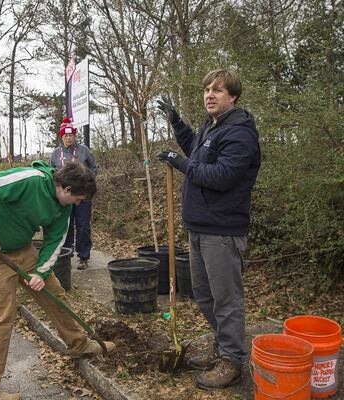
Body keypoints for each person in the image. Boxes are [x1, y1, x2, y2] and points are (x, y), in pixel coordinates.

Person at [0, 160, 115, 400]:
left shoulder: (63, 207)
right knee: (2, 317)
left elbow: (55, 240)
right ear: (66, 189)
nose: (79, 204)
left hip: (23, 250)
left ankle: (78, 344)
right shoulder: (29, 180)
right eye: (79, 198)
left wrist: (41, 273)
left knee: (55, 294)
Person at [156, 68, 261, 390]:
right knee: (203, 294)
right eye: (207, 90)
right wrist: (177, 123)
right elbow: (196, 150)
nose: (210, 95)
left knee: (226, 299)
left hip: (222, 230)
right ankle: (223, 347)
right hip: (199, 226)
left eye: (217, 90)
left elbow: (219, 176)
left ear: (233, 97)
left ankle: (232, 360)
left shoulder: (240, 133)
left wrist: (181, 163)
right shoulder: (212, 126)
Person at [49, 117, 97, 270]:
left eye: (71, 135)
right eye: (65, 135)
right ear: (61, 136)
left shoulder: (83, 150)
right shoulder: (56, 153)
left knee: (83, 225)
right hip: (65, 196)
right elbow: (51, 173)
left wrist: (87, 182)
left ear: (75, 136)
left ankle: (83, 256)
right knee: (66, 224)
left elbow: (94, 168)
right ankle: (66, 252)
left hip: (82, 196)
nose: (68, 138)